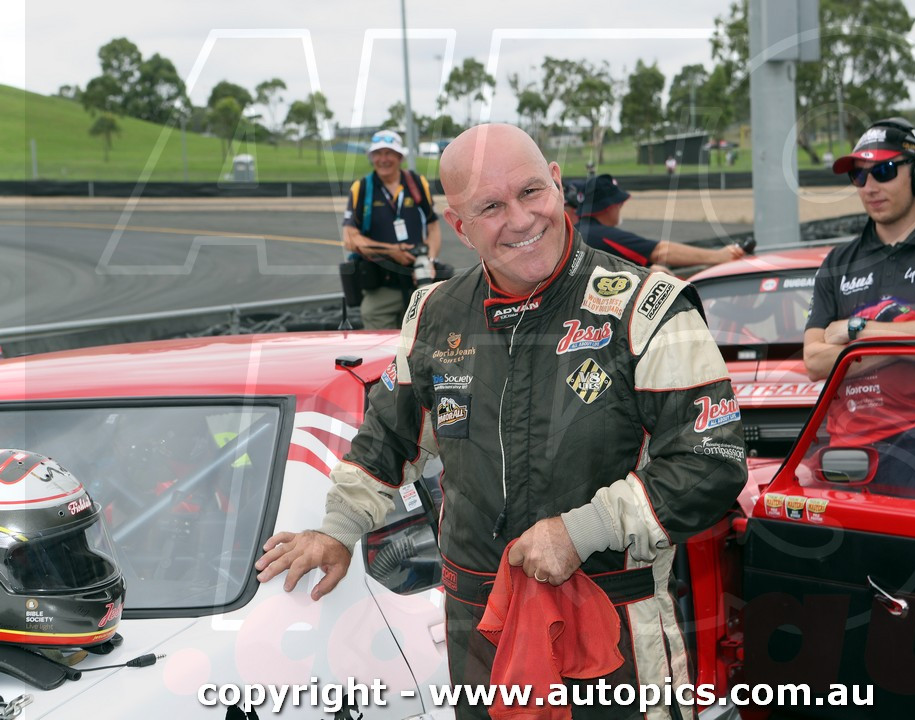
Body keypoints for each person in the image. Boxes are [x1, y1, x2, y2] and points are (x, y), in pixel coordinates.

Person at [255, 123, 748, 719]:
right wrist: (338, 528)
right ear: (460, 226)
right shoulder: (434, 313)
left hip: (616, 638)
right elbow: (388, 436)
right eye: (491, 206)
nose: (520, 219)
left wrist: (581, 530)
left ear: (558, 186)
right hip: (481, 638)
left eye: (531, 192)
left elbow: (711, 462)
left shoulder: (649, 307)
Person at [805, 117, 915, 496]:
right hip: (849, 454)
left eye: (884, 171)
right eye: (859, 176)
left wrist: (853, 330)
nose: (870, 187)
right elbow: (815, 362)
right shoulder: (837, 262)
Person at [342, 129, 443, 329]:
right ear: (371, 157)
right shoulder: (361, 189)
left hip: (419, 282)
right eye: (378, 154)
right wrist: (392, 252)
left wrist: (429, 261)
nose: (383, 159)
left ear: (400, 157)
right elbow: (350, 240)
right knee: (380, 339)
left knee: (423, 343)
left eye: (389, 153)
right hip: (381, 286)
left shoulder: (416, 183)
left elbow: (433, 227)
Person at [576, 173, 745, 271]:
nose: (621, 205)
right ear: (608, 206)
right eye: (619, 202)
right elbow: (661, 251)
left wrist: (649, 268)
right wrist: (719, 256)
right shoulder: (599, 235)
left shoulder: (580, 232)